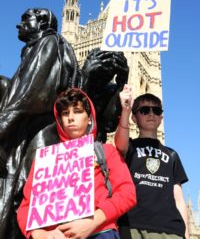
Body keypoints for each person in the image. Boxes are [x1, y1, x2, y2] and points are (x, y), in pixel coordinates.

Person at [17, 88, 137, 239]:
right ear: (59, 120)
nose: (71, 117)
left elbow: (127, 193)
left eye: (78, 111)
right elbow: (26, 207)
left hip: (100, 232)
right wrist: (39, 233)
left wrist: (94, 221)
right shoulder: (45, 160)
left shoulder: (106, 151)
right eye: (65, 113)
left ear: (89, 119)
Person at [115, 84, 190, 239]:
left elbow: (178, 198)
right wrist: (125, 111)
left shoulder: (172, 155)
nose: (151, 114)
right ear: (134, 118)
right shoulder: (129, 147)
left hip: (170, 229)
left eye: (156, 111)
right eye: (144, 110)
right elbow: (119, 142)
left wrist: (186, 234)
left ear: (161, 118)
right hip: (132, 225)